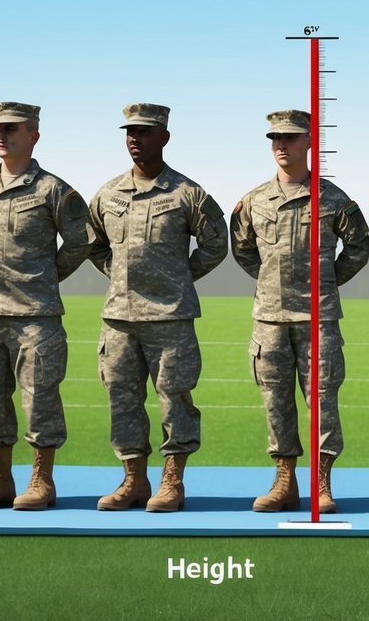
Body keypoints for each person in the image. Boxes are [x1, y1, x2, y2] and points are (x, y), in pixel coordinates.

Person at [88, 103, 227, 513]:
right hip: (119, 320)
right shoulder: (108, 194)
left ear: (164, 137)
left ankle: (172, 481)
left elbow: (216, 244)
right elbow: (92, 243)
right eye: (129, 131)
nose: (134, 138)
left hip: (170, 317)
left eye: (144, 132)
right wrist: (118, 277)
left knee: (175, 400)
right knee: (121, 399)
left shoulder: (187, 194)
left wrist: (179, 278)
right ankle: (133, 480)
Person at [230, 110, 369, 513]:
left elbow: (358, 247)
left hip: (318, 320)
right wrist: (270, 283)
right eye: (275, 138)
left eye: (290, 138)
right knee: (275, 403)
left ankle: (322, 485)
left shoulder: (333, 199)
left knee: (323, 404)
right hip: (270, 321)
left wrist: (325, 283)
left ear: (309, 143)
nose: (281, 145)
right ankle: (285, 482)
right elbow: (242, 249)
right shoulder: (254, 201)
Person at [0, 102, 91, 511]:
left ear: (33, 134)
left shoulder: (53, 190)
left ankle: (41, 481)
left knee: (40, 404)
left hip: (35, 317)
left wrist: (44, 277)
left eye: (11, 128)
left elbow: (81, 241)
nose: (2, 134)